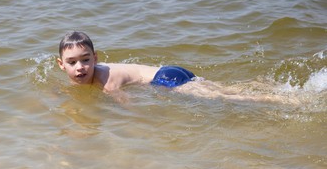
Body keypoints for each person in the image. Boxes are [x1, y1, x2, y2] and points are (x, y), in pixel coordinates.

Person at [57, 31, 297, 104]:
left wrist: (139, 124)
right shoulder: (89, 75)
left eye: (86, 59)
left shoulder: (104, 80)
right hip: (168, 71)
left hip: (167, 79)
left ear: (96, 58)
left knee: (222, 96)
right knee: (225, 89)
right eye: (72, 62)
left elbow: (126, 103)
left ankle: (276, 98)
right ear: (61, 65)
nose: (80, 67)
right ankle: (272, 88)